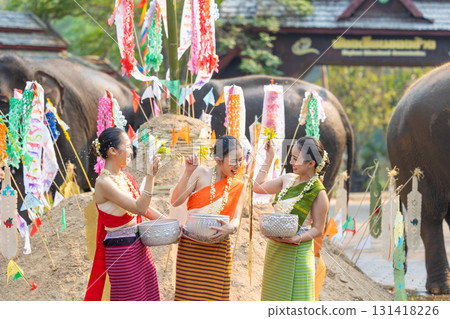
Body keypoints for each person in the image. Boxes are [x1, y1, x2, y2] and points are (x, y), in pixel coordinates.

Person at [84, 127, 166, 301]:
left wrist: (171, 223)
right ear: (113, 151)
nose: (131, 150)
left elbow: (148, 210)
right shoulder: (103, 183)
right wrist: (150, 176)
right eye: (128, 146)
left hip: (140, 248)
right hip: (122, 253)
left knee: (149, 297)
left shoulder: (127, 178)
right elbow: (140, 208)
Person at [170, 135, 247, 301]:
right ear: (219, 160)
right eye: (234, 161)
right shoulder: (200, 173)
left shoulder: (239, 185)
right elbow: (176, 201)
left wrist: (231, 228)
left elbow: (236, 218)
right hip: (191, 250)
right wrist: (187, 172)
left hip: (219, 250)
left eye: (241, 160)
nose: (238, 165)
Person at [253, 136, 330, 301]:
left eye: (296, 159)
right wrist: (269, 158)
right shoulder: (287, 179)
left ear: (311, 163)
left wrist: (296, 238)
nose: (291, 162)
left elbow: (318, 229)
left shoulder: (319, 192)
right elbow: (257, 187)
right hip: (275, 248)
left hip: (298, 251)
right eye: (291, 157)